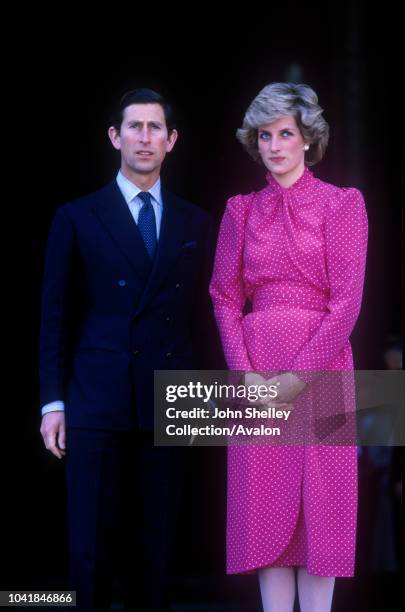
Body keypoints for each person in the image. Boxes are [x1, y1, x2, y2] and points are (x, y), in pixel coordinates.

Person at [39, 88, 213, 612]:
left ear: (172, 140)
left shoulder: (197, 223)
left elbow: (208, 319)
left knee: (155, 551)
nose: (144, 136)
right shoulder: (76, 217)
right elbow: (54, 318)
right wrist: (52, 402)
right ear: (114, 137)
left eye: (154, 127)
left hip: (170, 402)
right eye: (133, 126)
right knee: (89, 550)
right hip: (95, 402)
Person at [209, 82, 368, 612]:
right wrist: (245, 373)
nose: (274, 145)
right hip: (255, 375)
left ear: (307, 139)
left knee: (323, 508)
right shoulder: (240, 211)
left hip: (323, 371)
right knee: (264, 507)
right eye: (265, 135)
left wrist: (297, 377)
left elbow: (346, 304)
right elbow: (224, 297)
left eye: (285, 133)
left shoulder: (343, 204)